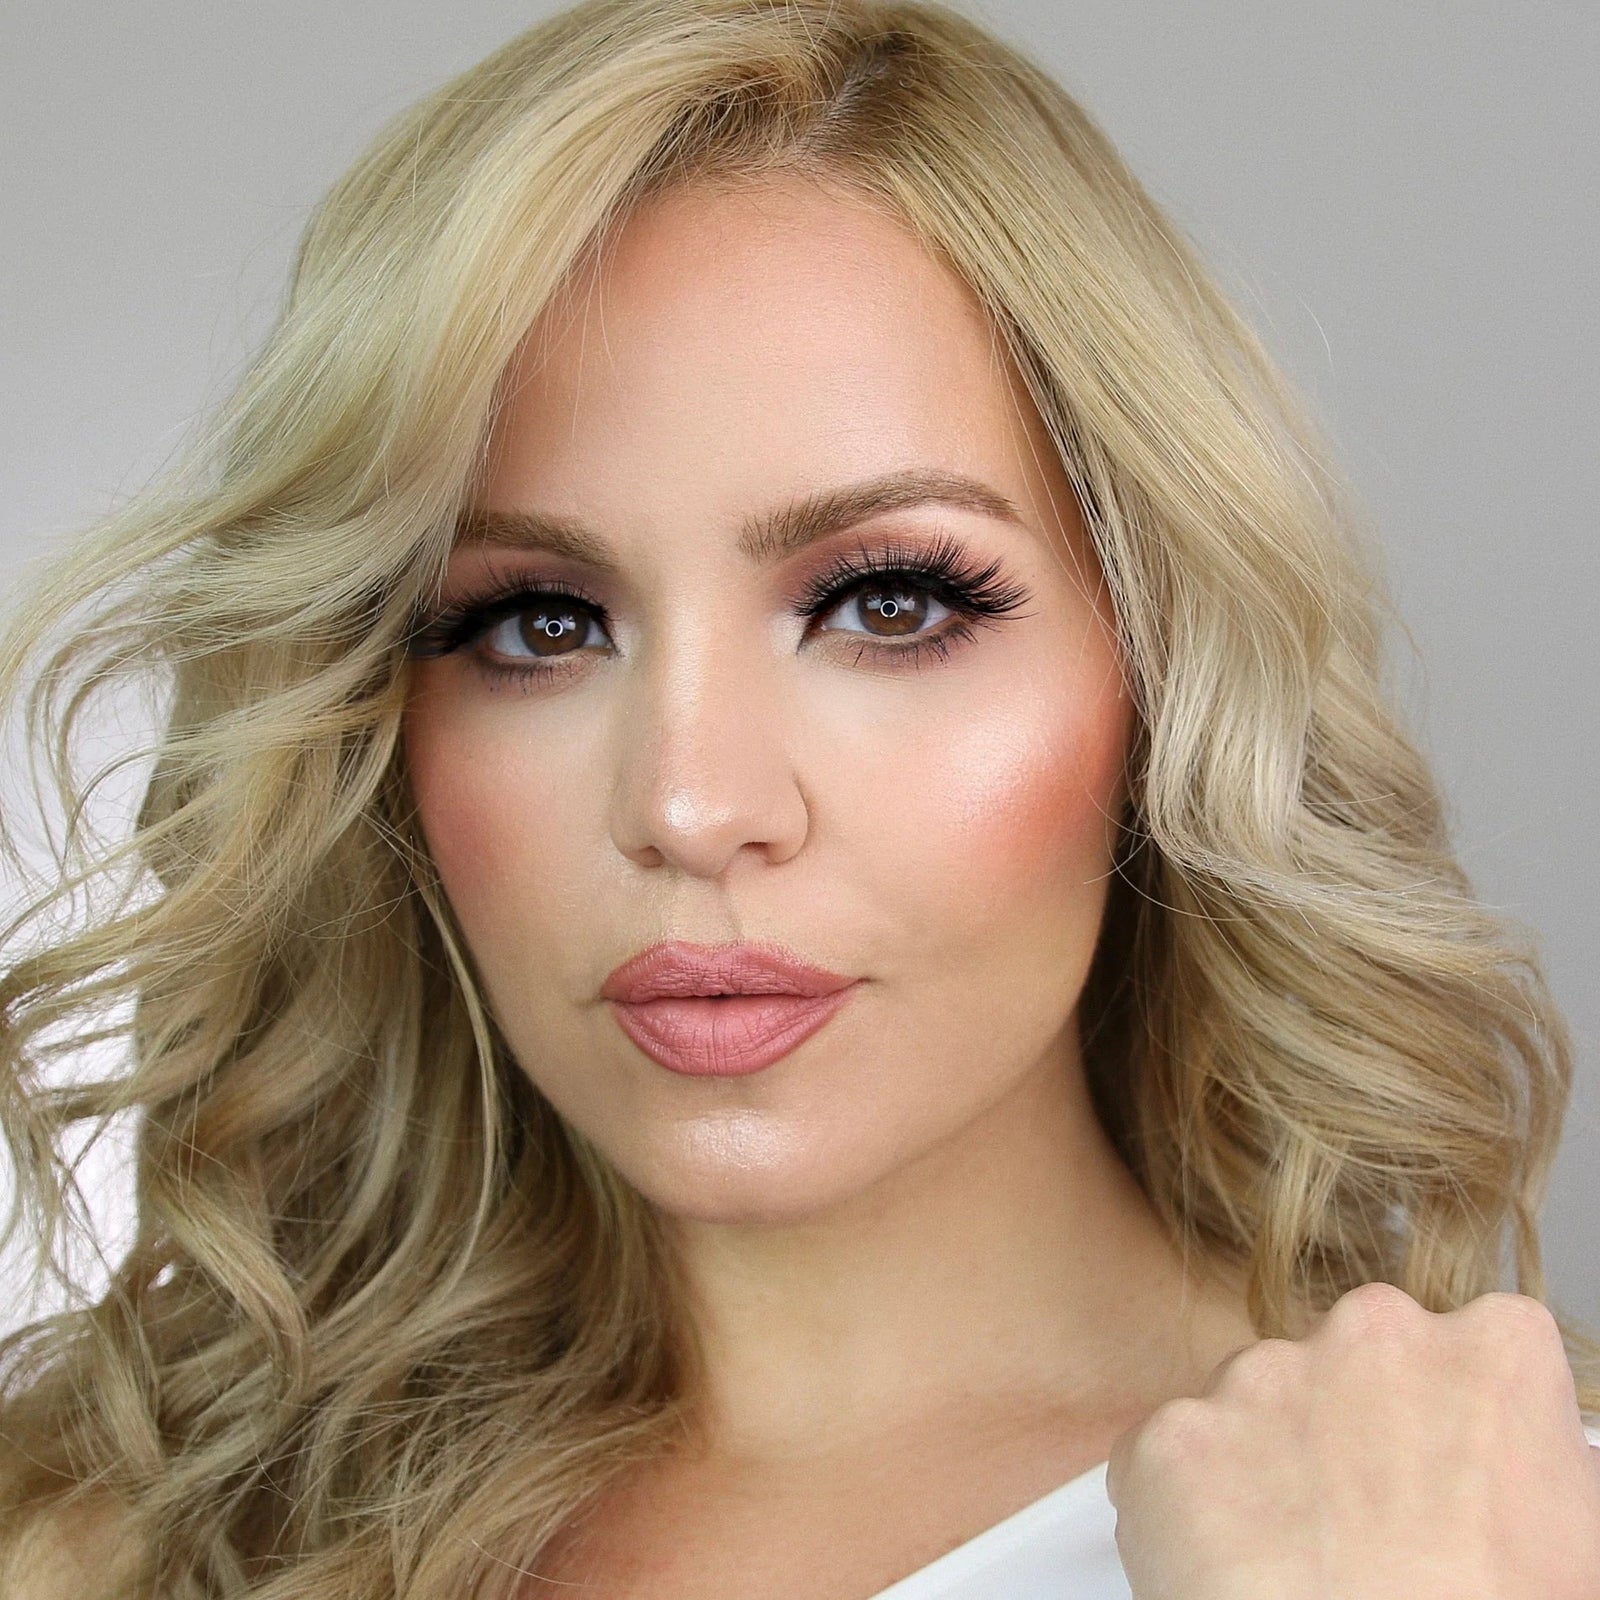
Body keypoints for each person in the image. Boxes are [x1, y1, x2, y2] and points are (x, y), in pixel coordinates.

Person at [1, 1, 1596, 1595]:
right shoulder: (105, 1535)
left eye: (888, 605)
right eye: (539, 624)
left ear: (1160, 673)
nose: (693, 805)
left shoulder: (1494, 1536)